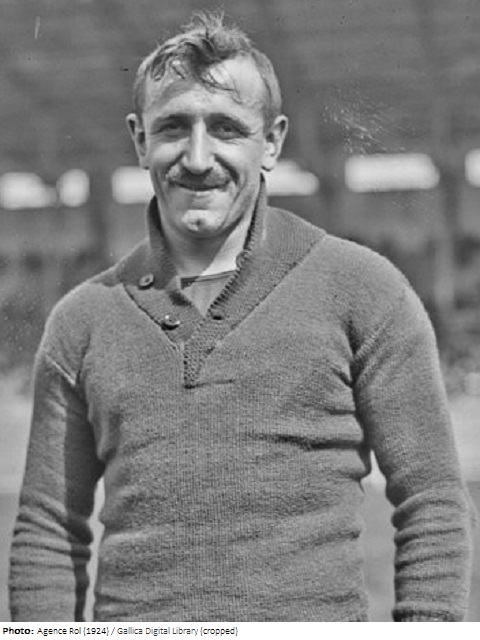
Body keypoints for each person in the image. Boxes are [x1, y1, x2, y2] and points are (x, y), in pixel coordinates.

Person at [9, 11, 475, 623]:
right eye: (174, 127)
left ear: (272, 142)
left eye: (226, 128)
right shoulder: (82, 320)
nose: (198, 157)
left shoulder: (366, 291)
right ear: (140, 140)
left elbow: (433, 505)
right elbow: (48, 530)